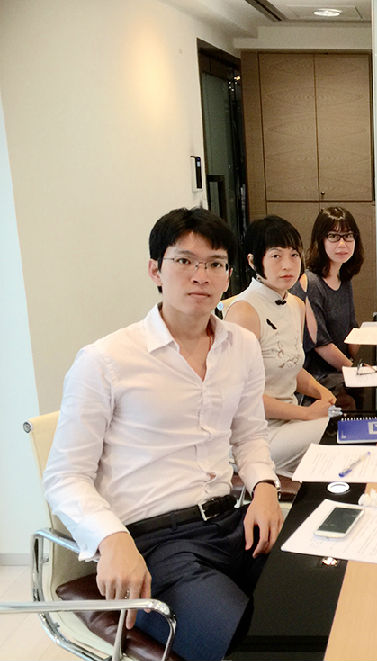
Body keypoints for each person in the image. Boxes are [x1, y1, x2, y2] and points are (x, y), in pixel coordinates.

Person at [43, 208, 283, 661]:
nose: (201, 275)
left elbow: (250, 435)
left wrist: (266, 489)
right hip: (156, 544)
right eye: (185, 261)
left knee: (320, 596)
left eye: (215, 263)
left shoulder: (242, 346)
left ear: (228, 276)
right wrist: (112, 538)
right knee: (245, 644)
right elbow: (63, 477)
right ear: (155, 270)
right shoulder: (105, 360)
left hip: (232, 524)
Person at [226, 215, 334, 476]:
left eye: (294, 255)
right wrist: (306, 414)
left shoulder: (295, 305)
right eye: (276, 256)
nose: (288, 265)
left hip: (291, 422)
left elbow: (290, 365)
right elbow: (240, 397)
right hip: (255, 437)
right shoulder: (243, 311)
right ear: (253, 261)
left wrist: (323, 393)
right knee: (340, 434)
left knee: (353, 425)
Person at [293, 207, 363, 408]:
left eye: (348, 236)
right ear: (320, 240)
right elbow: (321, 344)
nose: (342, 243)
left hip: (339, 371)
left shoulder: (344, 278)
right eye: (333, 236)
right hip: (316, 378)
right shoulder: (310, 283)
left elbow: (351, 330)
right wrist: (355, 369)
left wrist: (367, 361)